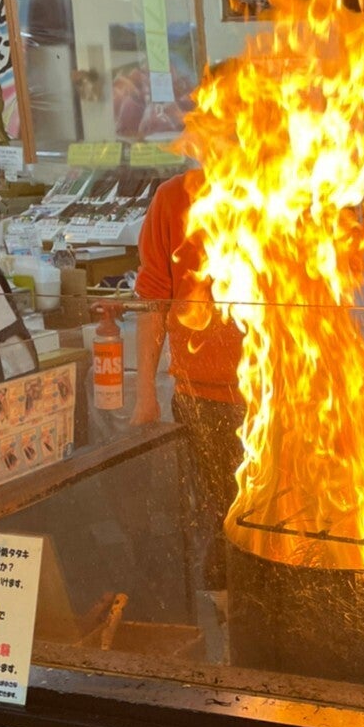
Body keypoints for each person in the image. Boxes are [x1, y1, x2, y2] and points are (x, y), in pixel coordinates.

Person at [133, 167, 243, 593]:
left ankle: (272, 611)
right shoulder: (172, 197)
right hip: (203, 398)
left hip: (280, 392)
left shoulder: (284, 187)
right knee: (220, 519)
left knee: (279, 516)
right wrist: (145, 393)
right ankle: (225, 609)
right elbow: (153, 300)